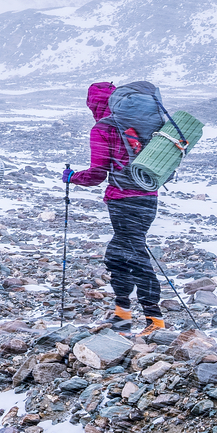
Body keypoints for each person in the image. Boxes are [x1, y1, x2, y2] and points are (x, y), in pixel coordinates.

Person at [63, 82, 164, 337]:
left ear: (94, 104)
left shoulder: (104, 128)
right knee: (120, 255)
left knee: (132, 256)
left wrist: (72, 177)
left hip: (123, 200)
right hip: (148, 197)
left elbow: (97, 174)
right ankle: (123, 318)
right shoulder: (143, 123)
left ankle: (154, 320)